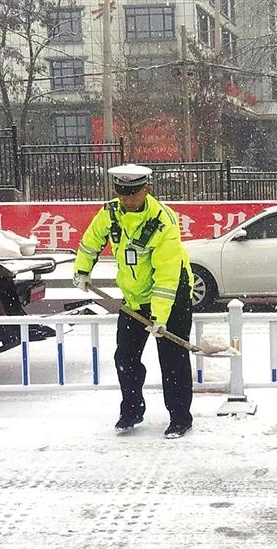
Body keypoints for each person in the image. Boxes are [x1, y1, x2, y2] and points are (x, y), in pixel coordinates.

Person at [72, 164, 196, 438]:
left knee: (172, 360)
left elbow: (167, 273)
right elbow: (91, 240)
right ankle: (131, 410)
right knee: (125, 358)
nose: (127, 199)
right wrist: (82, 269)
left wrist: (160, 317)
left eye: (133, 193)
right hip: (133, 298)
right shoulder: (110, 213)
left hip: (171, 297)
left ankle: (180, 418)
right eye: (122, 192)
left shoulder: (163, 221)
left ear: (146, 189)